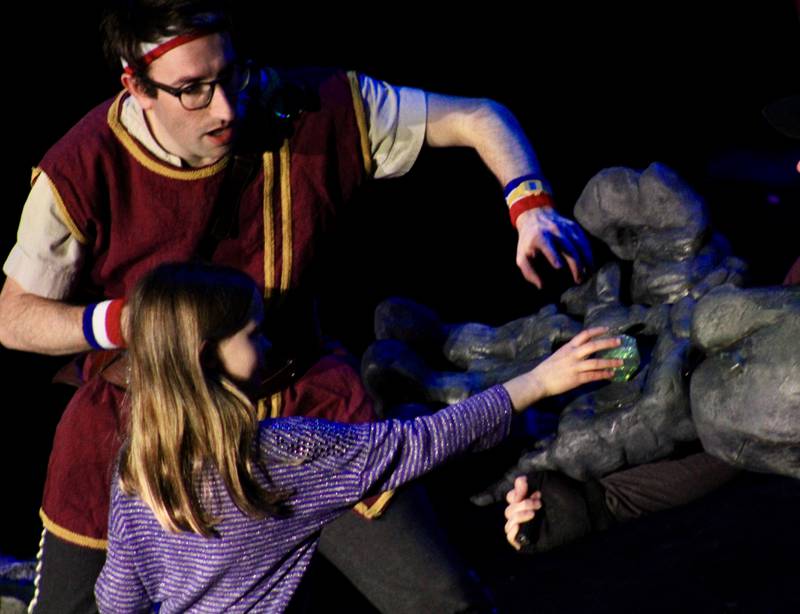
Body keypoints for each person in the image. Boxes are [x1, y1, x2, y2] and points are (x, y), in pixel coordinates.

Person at [0, 1, 592, 612]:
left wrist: (530, 205)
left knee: (441, 599)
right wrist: (127, 323)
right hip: (150, 425)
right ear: (137, 86)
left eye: (231, 75)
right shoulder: (80, 166)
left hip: (299, 403)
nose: (226, 107)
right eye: (193, 91)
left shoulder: (310, 106)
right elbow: (12, 317)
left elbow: (474, 115)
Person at [94, 261, 622, 613]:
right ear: (209, 357)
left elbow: (118, 598)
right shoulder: (275, 457)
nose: (271, 344)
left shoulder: (137, 471)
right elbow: (416, 442)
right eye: (255, 335)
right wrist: (538, 381)